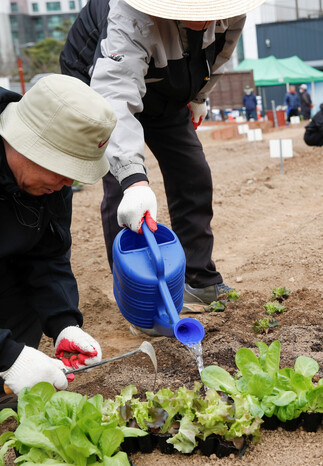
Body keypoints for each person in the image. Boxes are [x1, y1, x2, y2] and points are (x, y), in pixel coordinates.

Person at [60, 0, 267, 310]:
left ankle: (197, 279)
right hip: (100, 81)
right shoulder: (130, 15)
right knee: (122, 190)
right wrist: (134, 180)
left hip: (165, 85)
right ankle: (138, 298)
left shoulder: (232, 11)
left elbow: (220, 55)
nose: (204, 20)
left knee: (193, 173)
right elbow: (115, 93)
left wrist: (199, 96)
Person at [0, 74, 115, 401]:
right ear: (28, 144)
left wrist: (64, 322)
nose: (68, 182)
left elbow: (48, 255)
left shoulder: (52, 184)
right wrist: (7, 354)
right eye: (63, 168)